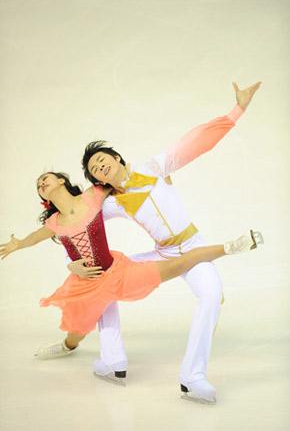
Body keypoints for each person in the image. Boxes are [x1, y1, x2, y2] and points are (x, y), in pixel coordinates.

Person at [69, 81, 262, 403]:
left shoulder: (154, 168)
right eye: (94, 169)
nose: (100, 165)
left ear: (117, 158)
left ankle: (193, 376)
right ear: (98, 180)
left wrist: (237, 109)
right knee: (106, 280)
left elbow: (196, 142)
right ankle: (113, 359)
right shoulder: (110, 203)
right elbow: (76, 227)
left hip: (196, 248)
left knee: (211, 297)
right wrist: (72, 259)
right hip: (162, 255)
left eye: (103, 159)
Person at [0, 172, 262, 399]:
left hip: (116, 271)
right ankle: (69, 347)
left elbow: (122, 182)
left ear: (61, 180)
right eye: (38, 184)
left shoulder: (93, 195)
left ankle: (228, 247)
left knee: (177, 264)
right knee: (76, 329)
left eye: (44, 178)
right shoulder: (53, 223)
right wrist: (19, 245)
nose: (41, 183)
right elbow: (35, 238)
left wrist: (163, 182)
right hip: (86, 283)